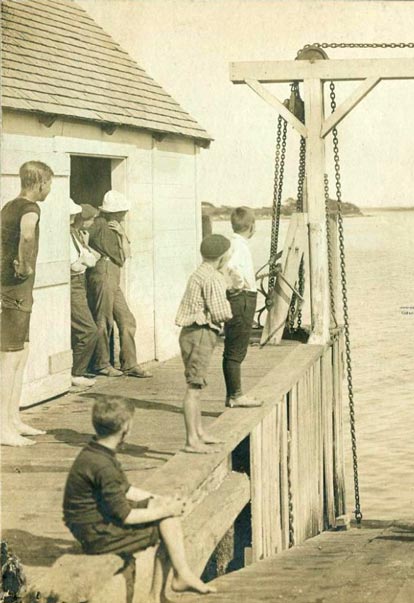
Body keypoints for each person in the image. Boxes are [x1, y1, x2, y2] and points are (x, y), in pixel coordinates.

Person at [62, 396, 216, 599]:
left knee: (164, 510)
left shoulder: (97, 451)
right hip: (96, 534)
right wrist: (166, 510)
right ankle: (170, 585)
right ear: (125, 428)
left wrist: (162, 500)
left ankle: (178, 578)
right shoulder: (103, 465)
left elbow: (125, 490)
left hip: (93, 522)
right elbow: (125, 516)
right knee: (166, 521)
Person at [1, 161, 53, 446]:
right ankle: (2, 428)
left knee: (20, 355)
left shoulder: (9, 205)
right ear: (40, 183)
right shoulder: (30, 209)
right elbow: (28, 233)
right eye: (49, 185)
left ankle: (13, 420)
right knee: (9, 359)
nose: (49, 191)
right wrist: (24, 265)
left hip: (17, 290)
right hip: (14, 288)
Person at [176, 234, 234, 453]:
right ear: (222, 256)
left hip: (190, 333)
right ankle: (191, 440)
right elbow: (220, 312)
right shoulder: (213, 278)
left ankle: (199, 433)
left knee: (197, 386)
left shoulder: (200, 272)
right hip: (200, 333)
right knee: (193, 388)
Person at [87, 191, 151, 378]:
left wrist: (122, 234)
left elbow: (126, 254)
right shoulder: (98, 224)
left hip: (113, 273)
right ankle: (101, 363)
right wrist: (93, 254)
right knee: (103, 319)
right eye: (122, 210)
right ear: (113, 212)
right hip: (104, 270)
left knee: (127, 319)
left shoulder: (115, 226)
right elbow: (81, 238)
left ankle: (129, 364)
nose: (125, 213)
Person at [221, 208, 261, 408]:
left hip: (240, 297)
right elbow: (233, 268)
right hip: (243, 298)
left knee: (233, 347)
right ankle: (235, 395)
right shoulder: (240, 247)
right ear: (252, 226)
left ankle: (234, 394)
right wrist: (238, 286)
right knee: (237, 349)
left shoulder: (233, 243)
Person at [70, 202, 101, 387]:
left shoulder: (77, 234)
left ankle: (77, 371)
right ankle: (76, 372)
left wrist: (86, 258)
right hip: (74, 282)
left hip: (78, 283)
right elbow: (78, 264)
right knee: (88, 330)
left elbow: (90, 257)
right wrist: (86, 259)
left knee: (84, 328)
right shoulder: (68, 235)